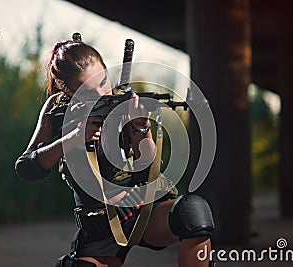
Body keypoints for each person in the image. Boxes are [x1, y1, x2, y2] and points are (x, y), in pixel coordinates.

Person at [15, 34, 214, 267]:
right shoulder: (56, 111)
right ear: (66, 91)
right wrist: (73, 138)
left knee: (193, 213)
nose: (102, 94)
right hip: (99, 225)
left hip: (141, 212)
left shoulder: (123, 104)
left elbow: (148, 170)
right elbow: (27, 169)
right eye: (87, 91)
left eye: (103, 82)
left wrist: (142, 128)